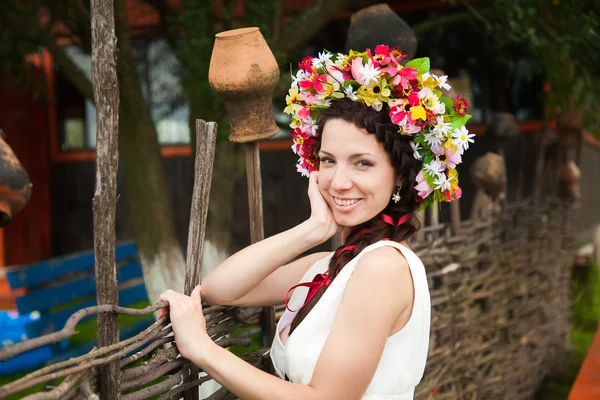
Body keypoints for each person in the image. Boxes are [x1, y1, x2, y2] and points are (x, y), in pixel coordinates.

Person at [159, 44, 474, 399]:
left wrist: (203, 349)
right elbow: (219, 289)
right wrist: (313, 230)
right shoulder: (334, 263)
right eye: (327, 160)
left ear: (400, 176)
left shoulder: (384, 267)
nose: (338, 181)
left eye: (362, 163)